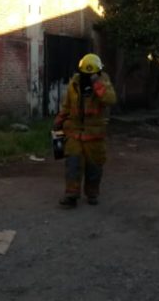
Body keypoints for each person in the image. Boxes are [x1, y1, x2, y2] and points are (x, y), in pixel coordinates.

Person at [53, 53, 117, 208]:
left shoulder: (103, 81)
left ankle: (92, 193)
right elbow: (67, 105)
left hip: (94, 135)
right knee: (73, 164)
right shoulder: (74, 84)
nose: (88, 76)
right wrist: (59, 121)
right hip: (75, 132)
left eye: (92, 74)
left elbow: (110, 99)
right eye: (86, 74)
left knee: (94, 167)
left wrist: (96, 84)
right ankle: (71, 195)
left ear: (98, 72)